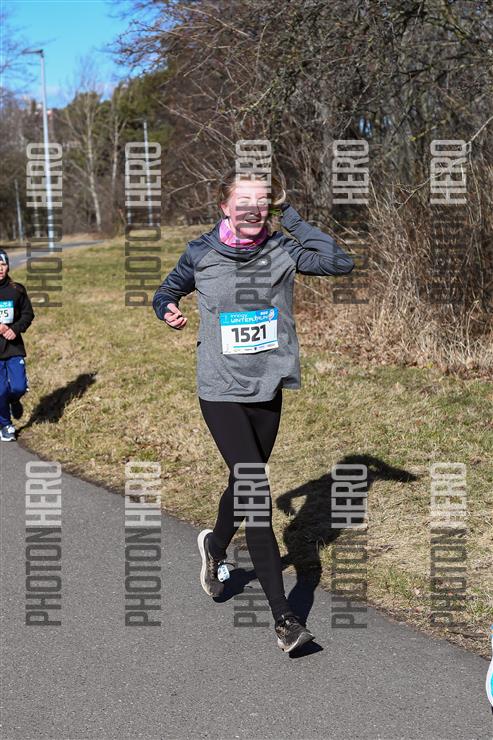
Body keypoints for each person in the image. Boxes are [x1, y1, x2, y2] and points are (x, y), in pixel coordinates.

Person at [153, 168, 355, 652]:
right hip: (220, 388)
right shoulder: (201, 252)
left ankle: (214, 545)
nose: (253, 209)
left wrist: (291, 215)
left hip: (266, 386)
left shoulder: (282, 249)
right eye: (243, 200)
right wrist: (167, 309)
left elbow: (340, 261)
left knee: (243, 482)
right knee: (255, 489)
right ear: (224, 207)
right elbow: (166, 290)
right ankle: (285, 619)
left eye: (262, 201)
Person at [0, 249, 34, 441]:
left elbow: (28, 314)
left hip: (13, 347)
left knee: (19, 387)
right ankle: (5, 425)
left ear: (8, 266)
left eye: (3, 264)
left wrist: (16, 328)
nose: (0, 269)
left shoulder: (17, 290)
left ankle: (14, 399)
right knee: (0, 391)